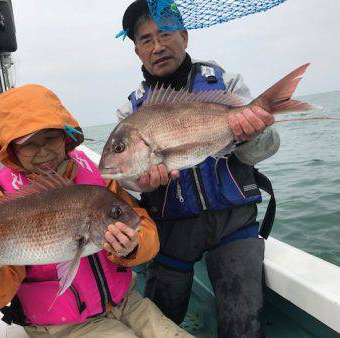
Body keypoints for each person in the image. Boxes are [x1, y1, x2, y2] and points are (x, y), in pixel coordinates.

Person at [0, 84, 192, 338]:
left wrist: (133, 246)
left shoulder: (97, 176)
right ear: (11, 149)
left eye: (50, 139)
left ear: (65, 136)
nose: (42, 152)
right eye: (29, 144)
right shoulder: (2, 198)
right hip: (63, 327)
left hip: (127, 303)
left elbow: (141, 226)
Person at [116, 1, 280, 337]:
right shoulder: (130, 113)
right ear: (137, 51)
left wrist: (252, 133)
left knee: (243, 326)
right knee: (159, 319)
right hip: (171, 232)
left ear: (185, 36)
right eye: (146, 39)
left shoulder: (225, 84)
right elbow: (128, 180)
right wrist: (143, 184)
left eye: (165, 34)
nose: (157, 46)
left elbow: (268, 148)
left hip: (232, 224)